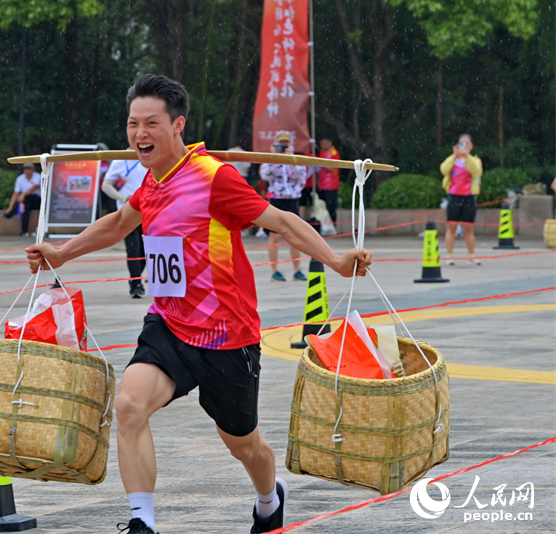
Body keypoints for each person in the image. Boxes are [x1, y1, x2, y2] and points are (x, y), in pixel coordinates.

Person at [25, 74, 371, 534]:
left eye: (151, 123)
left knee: (243, 444)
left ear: (178, 125)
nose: (139, 134)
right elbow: (117, 224)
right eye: (132, 124)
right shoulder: (151, 182)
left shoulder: (214, 178)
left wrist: (334, 259)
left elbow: (282, 221)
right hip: (168, 325)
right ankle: (142, 522)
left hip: (228, 336)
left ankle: (270, 499)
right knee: (129, 405)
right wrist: (61, 253)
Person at [259, 131, 308, 282]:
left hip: (292, 199)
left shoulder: (296, 159)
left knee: (294, 235)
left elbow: (300, 176)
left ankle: (297, 269)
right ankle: (274, 270)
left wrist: (289, 158)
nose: (284, 146)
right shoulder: (269, 160)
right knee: (273, 235)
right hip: (276, 199)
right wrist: (275, 159)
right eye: (281, 143)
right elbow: (265, 175)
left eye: (286, 143)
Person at [102, 158, 149, 298]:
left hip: (149, 211)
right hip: (128, 212)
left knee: (147, 249)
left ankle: (136, 278)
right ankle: (136, 284)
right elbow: (106, 185)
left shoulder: (154, 156)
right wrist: (122, 198)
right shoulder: (120, 161)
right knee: (133, 248)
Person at [440, 133, 482, 265]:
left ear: (471, 146)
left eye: (466, 143)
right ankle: (450, 255)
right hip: (454, 196)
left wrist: (466, 157)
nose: (463, 146)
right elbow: (443, 169)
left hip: (469, 196)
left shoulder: (475, 160)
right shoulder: (452, 159)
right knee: (451, 226)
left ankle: (471, 255)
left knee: (468, 228)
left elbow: (476, 172)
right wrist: (454, 156)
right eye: (461, 143)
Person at [4, 163, 41, 237]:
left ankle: (12, 212)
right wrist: (10, 207)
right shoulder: (20, 179)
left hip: (37, 200)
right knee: (24, 207)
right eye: (26, 169)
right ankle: (24, 231)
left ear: (33, 170)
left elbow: (35, 187)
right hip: (26, 202)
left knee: (26, 199)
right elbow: (16, 193)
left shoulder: (38, 176)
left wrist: (23, 194)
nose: (27, 171)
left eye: (29, 169)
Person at [317, 136, 341, 225]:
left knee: (331, 207)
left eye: (325, 143)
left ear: (330, 142)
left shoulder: (334, 153)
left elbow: (333, 169)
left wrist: (322, 163)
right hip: (321, 184)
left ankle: (333, 225)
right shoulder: (322, 152)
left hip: (331, 185)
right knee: (321, 206)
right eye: (321, 144)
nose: (323, 146)